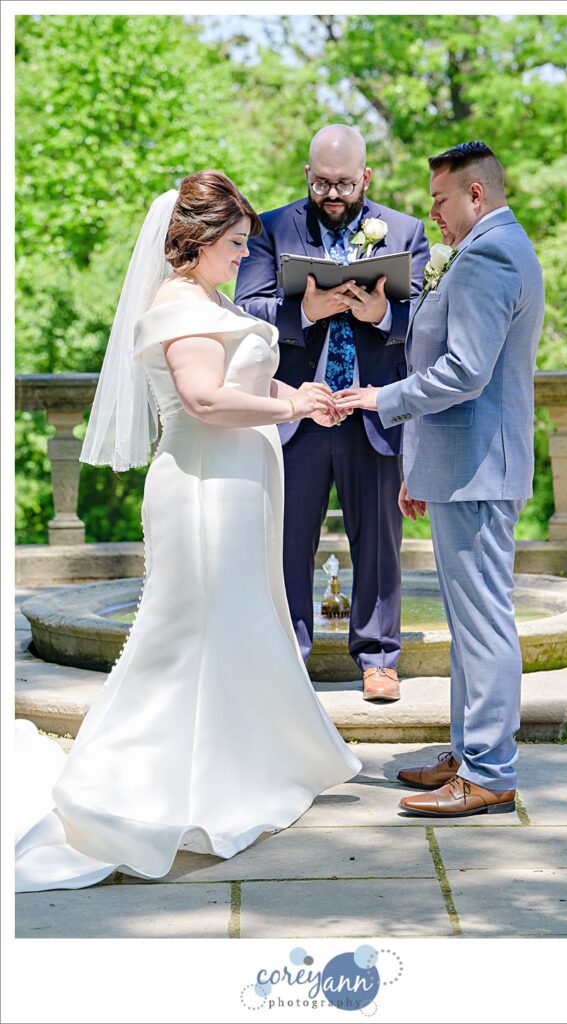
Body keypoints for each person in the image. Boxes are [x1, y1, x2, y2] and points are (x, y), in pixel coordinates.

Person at [15, 170, 361, 893]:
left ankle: (241, 771)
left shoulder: (210, 298)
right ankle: (136, 787)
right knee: (186, 636)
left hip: (236, 488)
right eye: (235, 243)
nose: (243, 255)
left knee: (237, 626)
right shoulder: (176, 304)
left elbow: (242, 379)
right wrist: (290, 414)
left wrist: (298, 394)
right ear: (195, 240)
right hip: (203, 491)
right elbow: (204, 398)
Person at [335, 142, 545, 817]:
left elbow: (466, 372)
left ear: (476, 195)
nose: (433, 214)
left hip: (479, 471)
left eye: (441, 200)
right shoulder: (496, 248)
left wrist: (382, 400)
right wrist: (417, 465)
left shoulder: (488, 254)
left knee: (484, 625)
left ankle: (489, 772)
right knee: (469, 622)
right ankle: (470, 750)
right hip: (461, 467)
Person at [234, 125, 430, 703]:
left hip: (372, 410)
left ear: (366, 176)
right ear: (307, 175)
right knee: (287, 541)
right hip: (298, 410)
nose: (334, 193)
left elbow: (427, 320)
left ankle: (378, 659)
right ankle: (288, 657)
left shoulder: (405, 231)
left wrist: (382, 318)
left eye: (345, 183)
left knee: (379, 541)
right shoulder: (270, 228)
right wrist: (308, 310)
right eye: (322, 182)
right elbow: (246, 311)